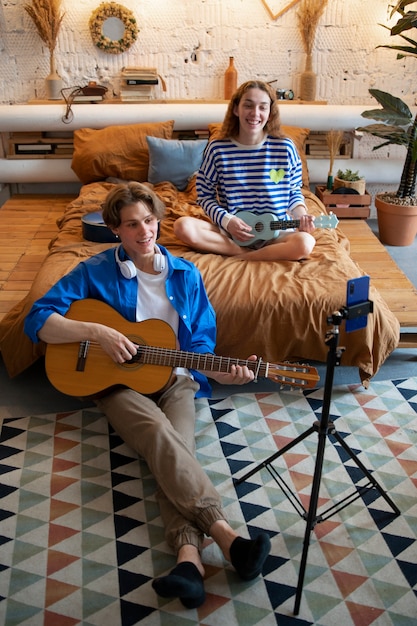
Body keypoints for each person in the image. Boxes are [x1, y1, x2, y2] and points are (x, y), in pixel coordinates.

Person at [24, 181, 271, 609]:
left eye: (150, 221)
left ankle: (189, 563)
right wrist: (96, 331)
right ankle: (228, 537)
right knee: (160, 433)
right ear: (115, 230)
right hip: (115, 384)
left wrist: (228, 376)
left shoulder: (187, 275)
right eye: (132, 225)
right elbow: (38, 319)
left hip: (176, 378)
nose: (144, 232)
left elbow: (200, 349)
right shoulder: (95, 271)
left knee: (176, 447)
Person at [174, 80, 316, 261]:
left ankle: (244, 257)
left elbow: (294, 192)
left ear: (270, 113)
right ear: (236, 109)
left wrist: (302, 216)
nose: (255, 113)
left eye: (262, 107)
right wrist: (228, 221)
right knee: (182, 226)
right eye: (248, 105)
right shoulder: (217, 149)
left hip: (275, 231)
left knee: (305, 243)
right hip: (232, 234)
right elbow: (205, 196)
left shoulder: (285, 148)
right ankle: (245, 254)